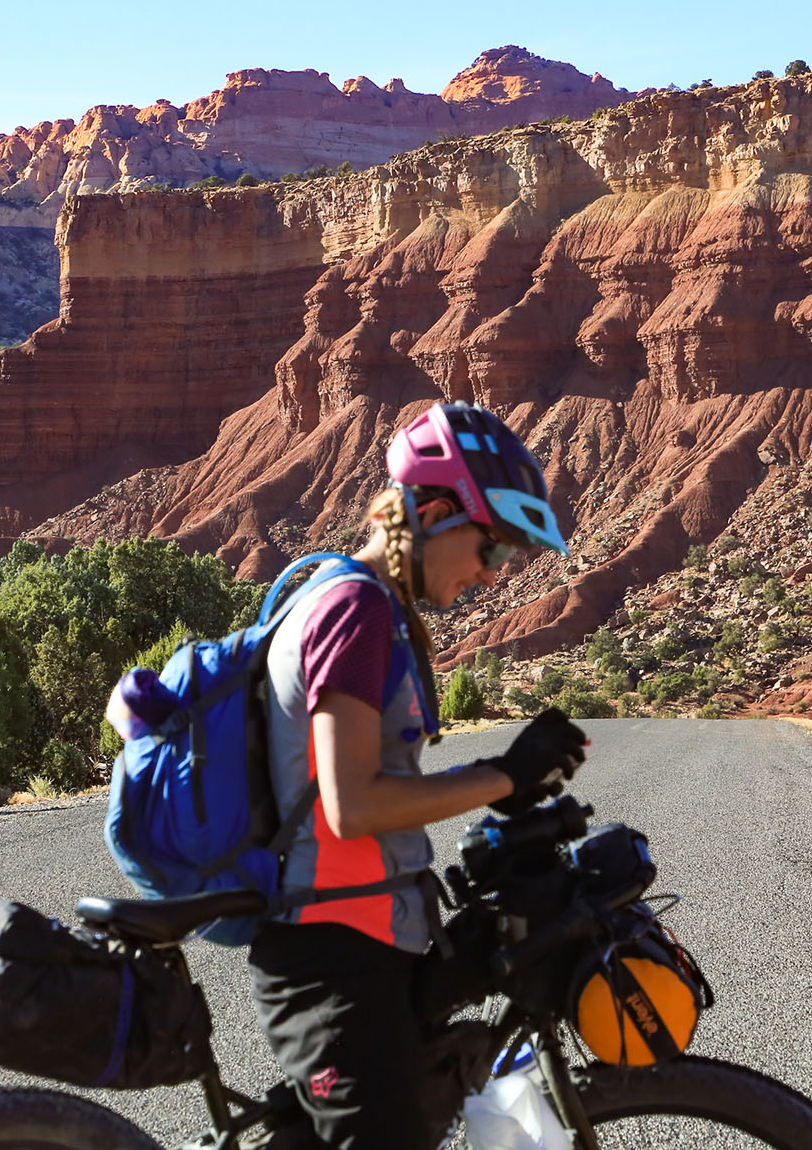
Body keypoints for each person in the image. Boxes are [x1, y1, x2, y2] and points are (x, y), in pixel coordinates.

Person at [251, 400, 590, 1148]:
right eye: (492, 550)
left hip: (369, 943)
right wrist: (503, 774)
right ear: (434, 511)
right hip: (330, 960)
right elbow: (352, 805)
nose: (491, 575)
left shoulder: (373, 609)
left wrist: (508, 782)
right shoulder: (355, 610)